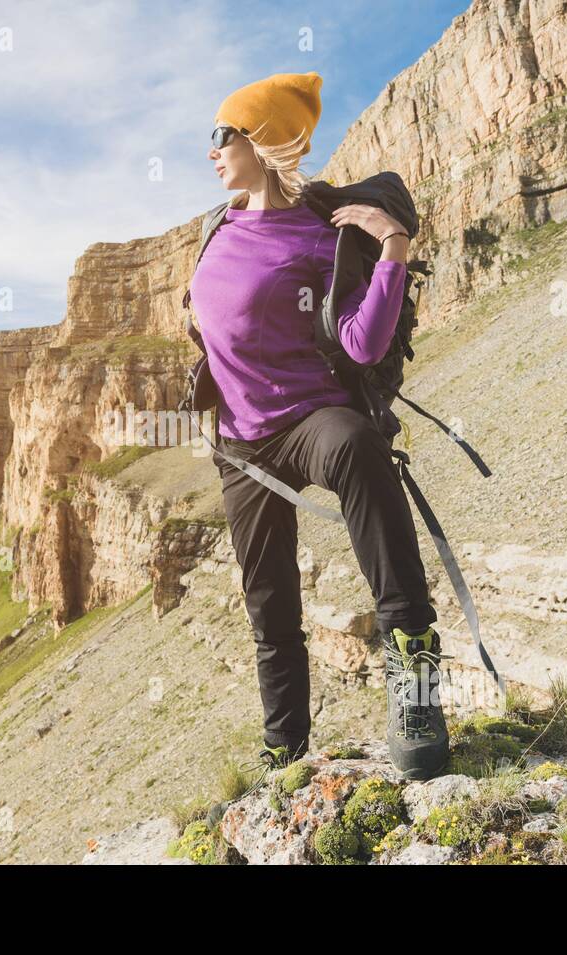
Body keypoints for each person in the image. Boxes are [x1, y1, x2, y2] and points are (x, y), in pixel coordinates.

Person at [188, 71, 449, 781]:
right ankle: (284, 749)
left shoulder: (321, 233)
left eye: (222, 135)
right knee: (269, 601)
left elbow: (363, 343)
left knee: (360, 446)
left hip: (310, 417)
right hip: (242, 443)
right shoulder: (215, 226)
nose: (210, 151)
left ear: (260, 139)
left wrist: (391, 244)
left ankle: (418, 693)